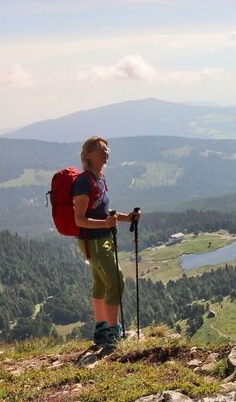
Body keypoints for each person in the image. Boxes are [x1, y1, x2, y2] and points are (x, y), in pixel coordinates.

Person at [73, 136, 140, 348]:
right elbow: (79, 219)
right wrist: (105, 225)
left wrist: (127, 218)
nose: (106, 152)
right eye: (101, 149)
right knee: (117, 281)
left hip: (100, 240)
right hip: (93, 241)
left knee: (102, 283)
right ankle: (113, 332)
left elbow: (104, 213)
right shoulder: (84, 181)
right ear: (88, 155)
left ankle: (102, 330)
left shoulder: (98, 178)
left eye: (107, 149)